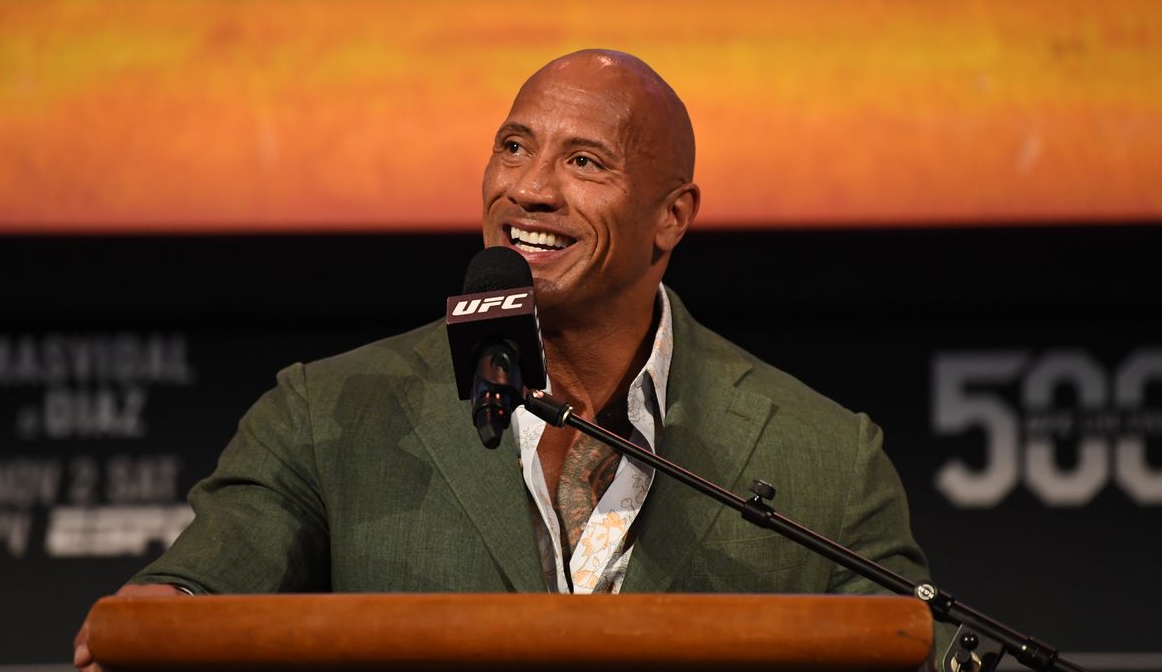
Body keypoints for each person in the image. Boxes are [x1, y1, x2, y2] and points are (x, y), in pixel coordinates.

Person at [75, 49, 950, 669]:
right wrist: (160, 616)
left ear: (672, 217)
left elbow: (923, 649)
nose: (527, 188)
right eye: (514, 145)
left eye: (583, 160)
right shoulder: (326, 413)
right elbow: (191, 594)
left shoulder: (826, 456)